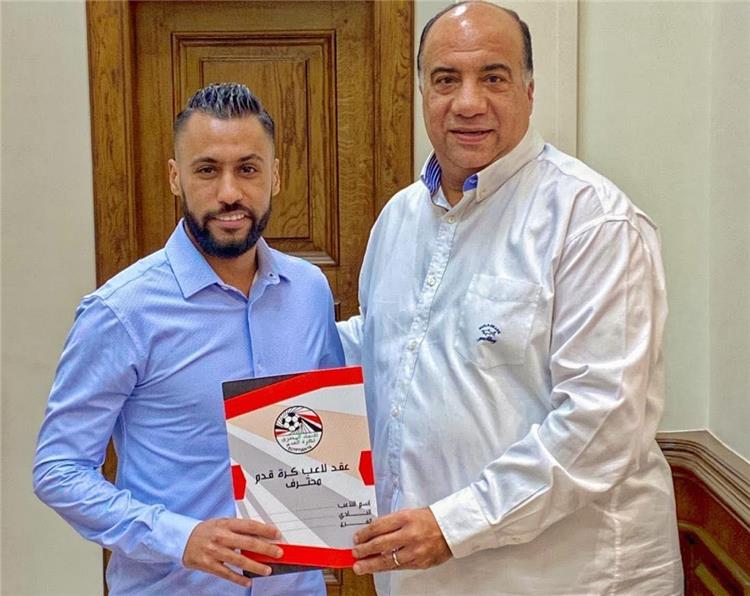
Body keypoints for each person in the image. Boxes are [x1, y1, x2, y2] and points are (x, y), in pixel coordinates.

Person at [337, 2, 683, 595]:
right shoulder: (398, 219)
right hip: (423, 578)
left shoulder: (592, 221)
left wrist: (453, 526)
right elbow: (381, 347)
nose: (468, 102)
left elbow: (600, 424)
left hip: (570, 579)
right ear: (423, 93)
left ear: (529, 89)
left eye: (493, 77)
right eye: (446, 79)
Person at [33, 83, 343, 595]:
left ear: (276, 175)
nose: (229, 193)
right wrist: (180, 537)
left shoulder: (309, 292)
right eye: (207, 170)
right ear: (176, 178)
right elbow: (58, 470)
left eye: (248, 169)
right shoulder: (123, 311)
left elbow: (323, 435)